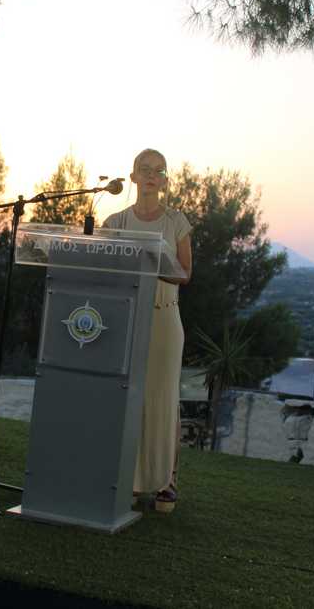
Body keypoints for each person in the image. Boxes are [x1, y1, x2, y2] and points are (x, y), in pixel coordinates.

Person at [102, 148, 192, 513]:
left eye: (159, 170)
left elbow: (185, 274)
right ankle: (127, 479)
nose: (152, 175)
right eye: (145, 169)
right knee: (126, 397)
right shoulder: (115, 221)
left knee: (162, 399)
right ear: (133, 177)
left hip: (164, 319)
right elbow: (102, 269)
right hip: (125, 319)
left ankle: (166, 482)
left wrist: (154, 263)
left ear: (165, 180)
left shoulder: (176, 222)